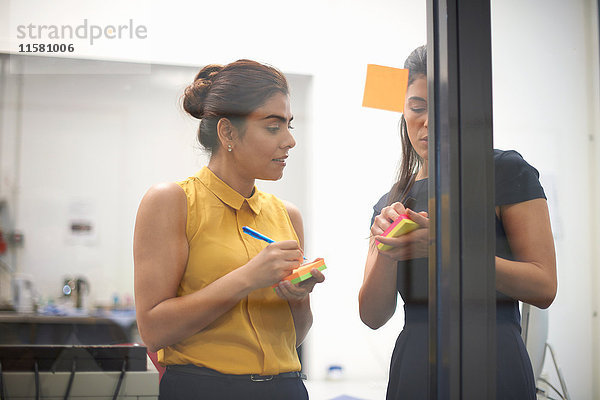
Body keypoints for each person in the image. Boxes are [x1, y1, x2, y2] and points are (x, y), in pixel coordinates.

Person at [358, 45, 557, 400]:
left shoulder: (503, 171)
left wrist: (446, 247)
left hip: (492, 356)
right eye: (417, 107)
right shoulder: (392, 201)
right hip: (417, 363)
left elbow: (543, 287)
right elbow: (373, 316)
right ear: (402, 111)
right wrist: (387, 252)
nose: (428, 122)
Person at [133, 59, 324, 400]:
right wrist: (248, 277)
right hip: (203, 389)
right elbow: (154, 330)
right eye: (273, 127)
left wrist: (297, 296)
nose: (290, 141)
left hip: (287, 388)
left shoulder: (287, 215)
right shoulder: (172, 202)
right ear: (228, 132)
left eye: (289, 125)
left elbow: (296, 336)